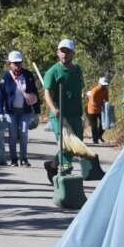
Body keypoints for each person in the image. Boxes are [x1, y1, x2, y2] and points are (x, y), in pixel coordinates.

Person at [42, 39, 85, 174]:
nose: (64, 54)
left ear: (73, 53)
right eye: (62, 51)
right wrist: (54, 109)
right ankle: (66, 172)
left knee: (76, 146)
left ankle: (53, 166)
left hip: (75, 115)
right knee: (65, 143)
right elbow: (47, 94)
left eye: (67, 51)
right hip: (59, 115)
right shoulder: (53, 72)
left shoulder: (77, 69)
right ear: (57, 52)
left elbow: (79, 89)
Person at [0, 51, 40, 166]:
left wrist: (37, 111)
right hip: (10, 111)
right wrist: (0, 112)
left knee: (23, 133)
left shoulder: (28, 75)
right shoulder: (6, 76)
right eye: (15, 63)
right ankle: (14, 159)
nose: (17, 65)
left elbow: (34, 92)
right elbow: (1, 95)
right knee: (12, 135)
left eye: (19, 63)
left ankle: (24, 158)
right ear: (9, 64)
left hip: (25, 111)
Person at [85, 77, 110, 144]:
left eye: (105, 85)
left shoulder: (105, 90)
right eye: (103, 85)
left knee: (104, 124)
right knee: (94, 126)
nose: (104, 86)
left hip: (100, 110)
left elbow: (107, 99)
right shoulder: (95, 90)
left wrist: (107, 106)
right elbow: (93, 103)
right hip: (92, 110)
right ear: (99, 84)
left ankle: (98, 136)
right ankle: (95, 140)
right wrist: (101, 105)